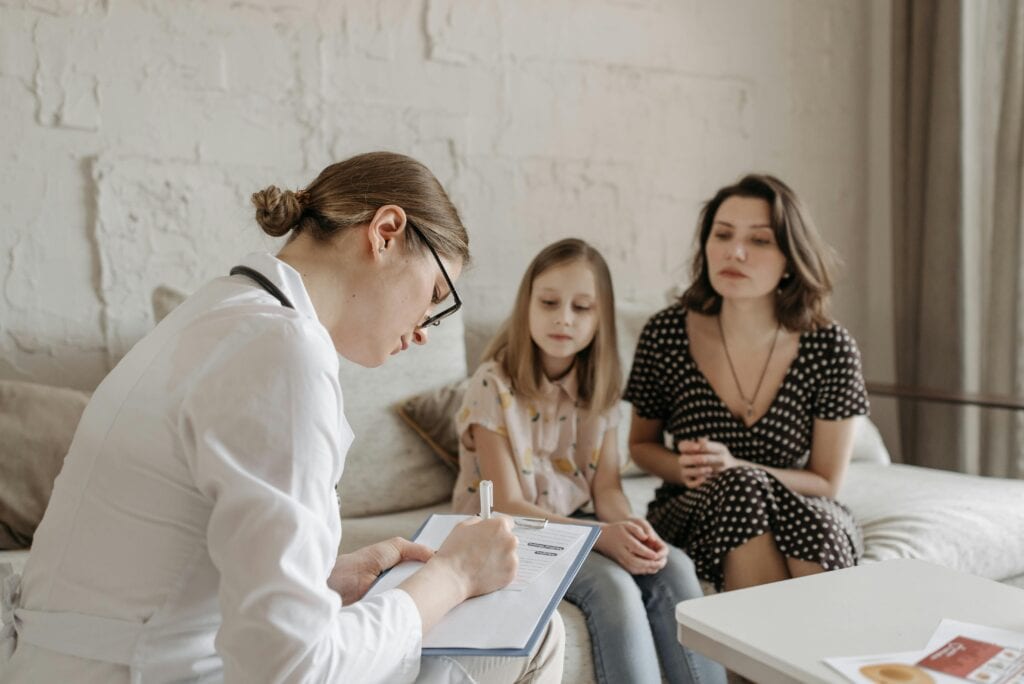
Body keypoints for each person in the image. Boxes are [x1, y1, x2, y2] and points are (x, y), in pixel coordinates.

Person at [0, 152, 564, 683]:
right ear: (385, 232)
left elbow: (167, 564)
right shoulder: (281, 349)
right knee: (534, 634)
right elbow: (291, 668)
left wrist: (323, 579)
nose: (423, 328)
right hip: (149, 670)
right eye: (435, 294)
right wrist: (453, 577)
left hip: (75, 662)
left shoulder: (220, 312)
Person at [451, 239, 726, 684]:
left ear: (600, 319)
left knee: (672, 564)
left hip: (576, 523)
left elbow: (608, 491)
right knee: (613, 585)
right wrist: (601, 536)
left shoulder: (599, 389)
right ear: (527, 307)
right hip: (510, 534)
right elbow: (507, 504)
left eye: (582, 308)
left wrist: (633, 531)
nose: (564, 317)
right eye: (549, 303)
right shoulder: (493, 384)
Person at [624, 173, 869, 594]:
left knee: (810, 520)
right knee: (741, 489)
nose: (734, 252)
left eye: (759, 240)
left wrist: (739, 467)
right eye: (722, 235)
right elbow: (641, 446)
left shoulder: (830, 346)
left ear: (791, 258)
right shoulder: (666, 333)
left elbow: (826, 482)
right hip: (694, 510)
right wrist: (683, 468)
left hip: (801, 506)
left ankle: (793, 656)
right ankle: (786, 656)